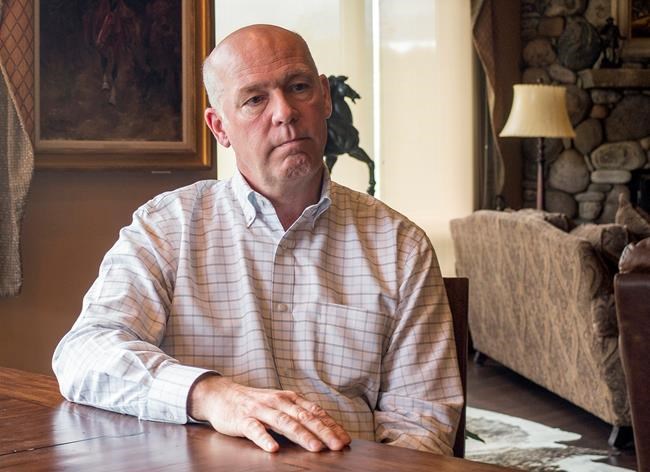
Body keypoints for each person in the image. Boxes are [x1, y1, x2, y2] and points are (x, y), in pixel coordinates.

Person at [52, 24, 462, 455]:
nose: (284, 112)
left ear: (324, 97)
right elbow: (83, 354)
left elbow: (422, 425)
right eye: (254, 99)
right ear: (220, 128)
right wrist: (210, 395)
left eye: (298, 87)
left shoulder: (400, 247)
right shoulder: (168, 227)